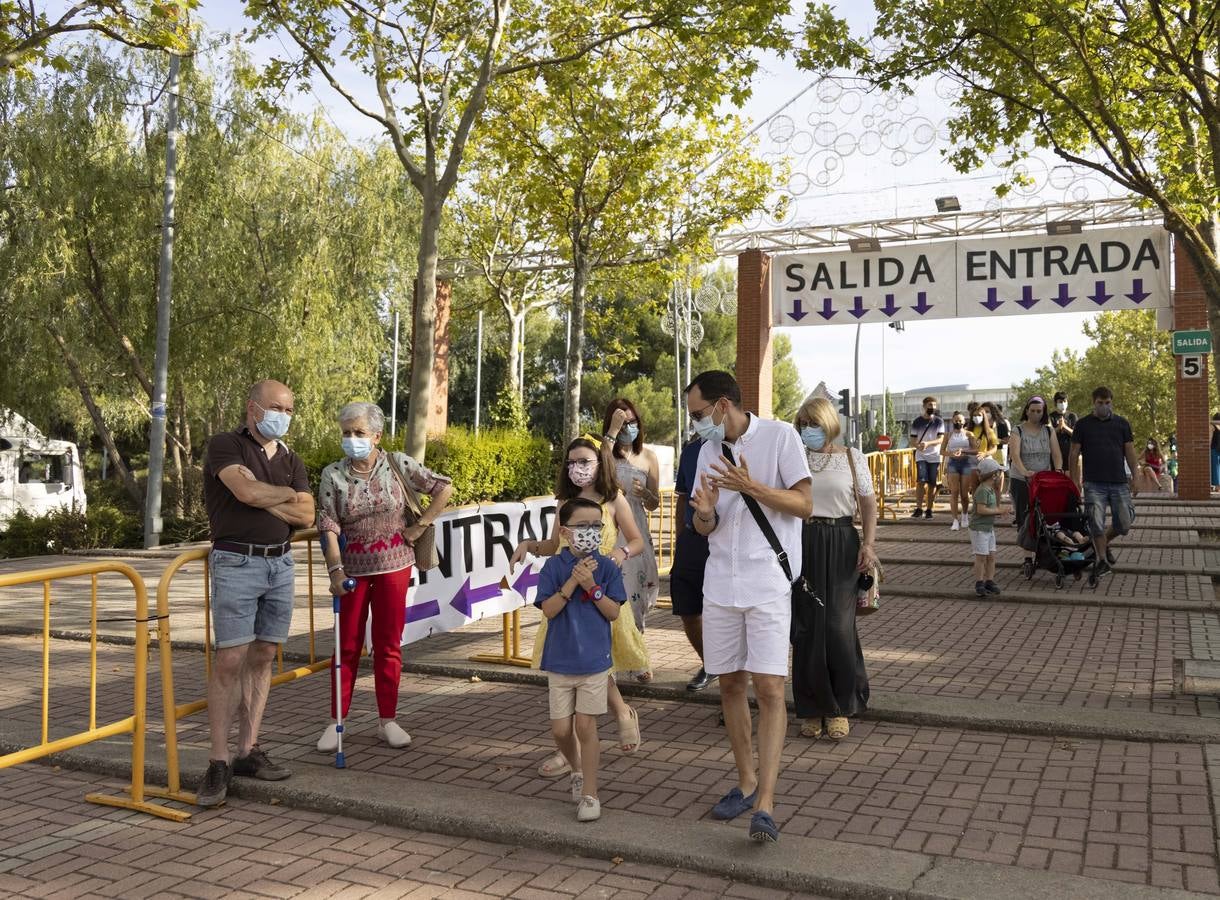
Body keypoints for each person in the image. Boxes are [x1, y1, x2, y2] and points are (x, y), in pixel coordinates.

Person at [686, 370, 812, 844]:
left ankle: (766, 804)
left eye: (699, 414)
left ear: (723, 406)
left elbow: (804, 504)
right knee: (731, 685)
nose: (695, 424)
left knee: (771, 689)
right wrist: (704, 513)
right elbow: (706, 526)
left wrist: (751, 486)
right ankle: (745, 782)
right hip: (720, 584)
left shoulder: (780, 437)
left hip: (768, 583)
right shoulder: (703, 452)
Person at [196, 380, 315, 808]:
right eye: (276, 406)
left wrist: (267, 498)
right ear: (253, 409)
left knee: (264, 654)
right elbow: (242, 490)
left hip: (280, 563)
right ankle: (218, 760)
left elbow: (306, 513)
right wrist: (279, 496)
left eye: (289, 408)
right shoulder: (225, 445)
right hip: (236, 562)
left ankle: (248, 750)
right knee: (230, 657)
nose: (283, 414)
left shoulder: (290, 458)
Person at [315, 402, 454, 753]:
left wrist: (419, 525)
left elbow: (444, 488)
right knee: (345, 645)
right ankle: (336, 721)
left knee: (388, 645)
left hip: (395, 566)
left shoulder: (398, 464)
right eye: (346, 433)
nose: (351, 439)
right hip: (351, 571)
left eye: (359, 433)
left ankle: (387, 720)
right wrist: (335, 568)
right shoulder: (333, 474)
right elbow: (328, 524)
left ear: (376, 436)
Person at [509, 438, 648, 776]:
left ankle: (621, 714)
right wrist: (527, 545)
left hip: (601, 592)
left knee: (597, 663)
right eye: (571, 462)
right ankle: (568, 749)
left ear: (600, 462)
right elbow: (554, 545)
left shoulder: (614, 499)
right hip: (566, 593)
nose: (577, 468)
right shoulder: (565, 504)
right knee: (571, 665)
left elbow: (636, 540)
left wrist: (620, 554)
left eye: (583, 460)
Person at [534, 497, 628, 823]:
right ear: (564, 531)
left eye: (596, 526)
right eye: (582, 526)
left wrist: (593, 587)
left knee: (585, 726)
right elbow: (548, 609)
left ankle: (590, 793)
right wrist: (573, 582)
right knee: (561, 730)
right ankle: (575, 768)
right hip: (560, 661)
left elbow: (613, 612)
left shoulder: (606, 567)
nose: (590, 532)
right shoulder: (553, 567)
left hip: (595, 662)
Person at [792, 396, 878, 742]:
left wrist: (869, 545)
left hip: (843, 542)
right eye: (802, 424)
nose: (807, 430)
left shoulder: (852, 458)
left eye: (812, 424)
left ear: (828, 423)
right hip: (803, 541)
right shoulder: (794, 456)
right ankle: (812, 708)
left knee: (838, 627)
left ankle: (841, 706)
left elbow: (868, 505)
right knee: (807, 627)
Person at [600, 400, 661, 665]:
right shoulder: (603, 452)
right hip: (608, 531)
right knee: (609, 596)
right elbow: (598, 467)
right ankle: (608, 659)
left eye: (632, 422)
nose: (628, 427)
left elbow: (655, 502)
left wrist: (646, 493)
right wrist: (612, 431)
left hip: (635, 532)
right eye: (623, 422)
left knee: (636, 598)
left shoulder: (648, 456)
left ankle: (637, 658)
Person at [1068, 386, 1140, 575]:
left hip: (1118, 482)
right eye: (1100, 403)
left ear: (1111, 402)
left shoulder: (1122, 424)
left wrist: (1136, 476)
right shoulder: (1082, 425)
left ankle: (1103, 542)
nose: (1104, 406)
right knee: (1096, 523)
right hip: (1093, 484)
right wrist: (1074, 480)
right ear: (1094, 403)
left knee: (1124, 523)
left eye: (1107, 403)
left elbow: (1130, 452)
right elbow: (1074, 453)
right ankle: (1101, 560)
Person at [671, 436, 713, 691]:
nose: (697, 419)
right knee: (687, 608)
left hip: (726, 541)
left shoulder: (743, 446)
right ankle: (711, 664)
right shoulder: (691, 450)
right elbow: (683, 498)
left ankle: (733, 682)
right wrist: (680, 538)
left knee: (725, 614)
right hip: (692, 540)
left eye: (700, 413)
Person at [1009, 396, 1063, 566]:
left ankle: (1042, 552)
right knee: (1025, 516)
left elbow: (1056, 454)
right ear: (1026, 411)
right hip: (1022, 479)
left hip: (1044, 480)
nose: (1035, 414)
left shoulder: (1048, 430)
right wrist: (1025, 471)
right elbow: (1015, 455)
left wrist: (1059, 470)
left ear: (1043, 412)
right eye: (1032, 410)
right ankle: (1027, 557)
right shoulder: (1018, 430)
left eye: (1039, 411)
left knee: (1045, 515)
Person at [969, 457, 1010, 597]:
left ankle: (989, 581)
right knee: (981, 557)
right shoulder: (982, 490)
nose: (1000, 476)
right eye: (999, 473)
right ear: (993, 475)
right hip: (979, 528)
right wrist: (999, 511)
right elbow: (981, 510)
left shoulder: (991, 489)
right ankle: (979, 582)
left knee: (991, 555)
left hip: (988, 527)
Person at [939, 411, 979, 531]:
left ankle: (965, 516)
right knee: (954, 492)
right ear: (952, 421)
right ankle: (955, 520)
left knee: (964, 493)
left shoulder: (968, 434)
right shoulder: (948, 435)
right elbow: (942, 451)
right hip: (953, 463)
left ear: (964, 422)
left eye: (960, 420)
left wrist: (964, 451)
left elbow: (975, 450)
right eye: (956, 420)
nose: (958, 422)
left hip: (966, 463)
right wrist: (951, 454)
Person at [907, 396, 944, 518]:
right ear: (924, 407)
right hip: (921, 455)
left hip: (934, 455)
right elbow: (912, 439)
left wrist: (928, 443)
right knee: (921, 480)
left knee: (932, 483)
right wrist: (918, 446)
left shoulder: (939, 421)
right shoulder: (917, 421)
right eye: (929, 405)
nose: (932, 408)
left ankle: (929, 509)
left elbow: (941, 438)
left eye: (934, 405)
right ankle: (918, 508)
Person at [1049, 392, 1078, 477]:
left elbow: (1077, 434)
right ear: (1055, 403)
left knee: (1071, 480)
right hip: (1055, 454)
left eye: (1064, 401)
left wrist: (1065, 427)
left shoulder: (1072, 416)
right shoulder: (1051, 417)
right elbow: (1048, 434)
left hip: (1070, 452)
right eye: (1060, 402)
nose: (1063, 404)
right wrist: (1058, 428)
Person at [1212, 414, 1220, 491]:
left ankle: (1218, 487)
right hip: (1215, 450)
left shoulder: (1217, 429)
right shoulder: (1215, 430)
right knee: (1216, 469)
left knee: (1216, 469)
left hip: (1215, 450)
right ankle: (1217, 487)